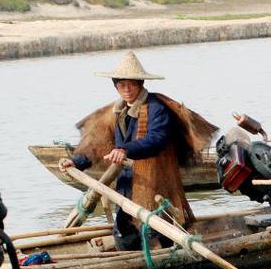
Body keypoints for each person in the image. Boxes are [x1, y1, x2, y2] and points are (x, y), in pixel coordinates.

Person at [59, 51, 216, 251]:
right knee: (124, 231)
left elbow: (156, 139)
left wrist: (125, 149)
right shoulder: (116, 111)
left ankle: (170, 265)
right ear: (115, 86)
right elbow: (97, 143)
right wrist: (76, 162)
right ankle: (137, 264)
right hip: (126, 182)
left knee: (162, 229)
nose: (127, 89)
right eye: (121, 85)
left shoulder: (156, 108)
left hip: (155, 181)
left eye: (131, 84)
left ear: (140, 83)